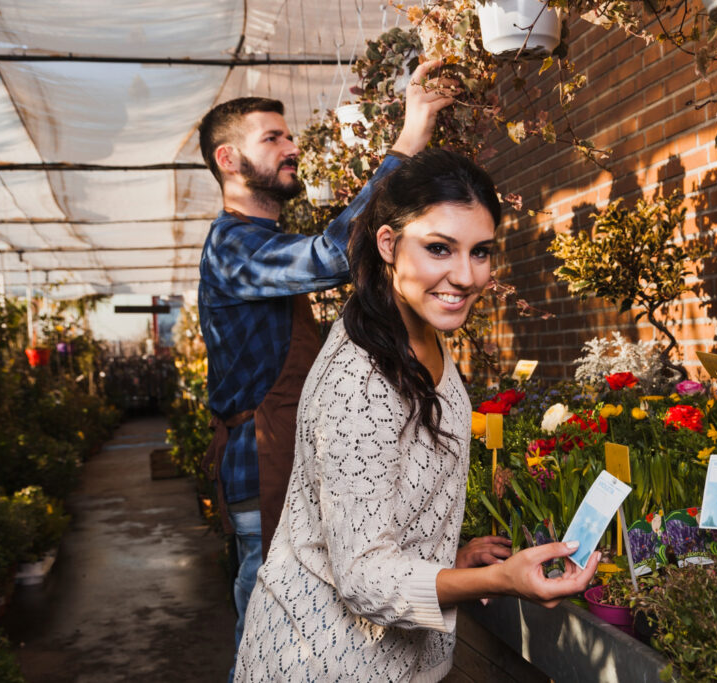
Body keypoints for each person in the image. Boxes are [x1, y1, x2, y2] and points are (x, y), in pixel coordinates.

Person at [234, 149, 600, 682]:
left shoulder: (419, 334)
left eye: (481, 252)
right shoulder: (358, 380)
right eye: (438, 248)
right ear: (388, 243)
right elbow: (363, 577)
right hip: (321, 660)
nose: (465, 276)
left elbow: (373, 508)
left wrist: (447, 553)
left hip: (393, 660)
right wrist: (502, 581)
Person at [196, 59, 456, 682]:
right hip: (263, 459)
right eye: (273, 139)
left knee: (300, 603)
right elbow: (334, 253)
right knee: (271, 614)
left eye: (288, 136)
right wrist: (408, 139)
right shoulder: (232, 245)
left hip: (286, 451)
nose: (292, 148)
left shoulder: (258, 240)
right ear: (229, 160)